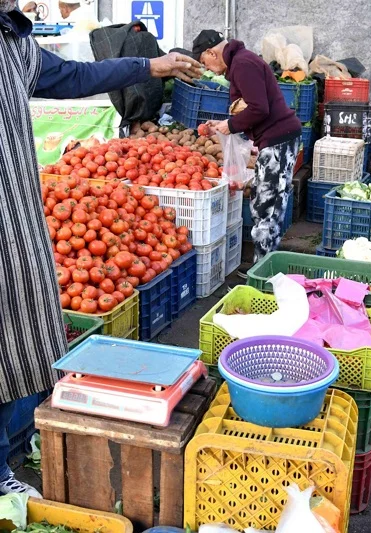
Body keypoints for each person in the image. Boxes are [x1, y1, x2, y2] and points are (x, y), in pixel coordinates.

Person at [0, 1, 202, 497]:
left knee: (27, 334)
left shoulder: (11, 43)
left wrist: (147, 65)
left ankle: (16, 443)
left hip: (18, 217)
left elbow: (70, 76)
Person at [192, 29, 302, 266]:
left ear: (212, 52)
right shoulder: (241, 62)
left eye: (204, 62)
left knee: (267, 210)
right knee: (264, 206)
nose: (207, 68)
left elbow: (258, 108)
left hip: (278, 141)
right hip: (274, 139)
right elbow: (250, 108)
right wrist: (224, 124)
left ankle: (264, 275)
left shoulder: (242, 64)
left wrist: (230, 125)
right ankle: (264, 268)